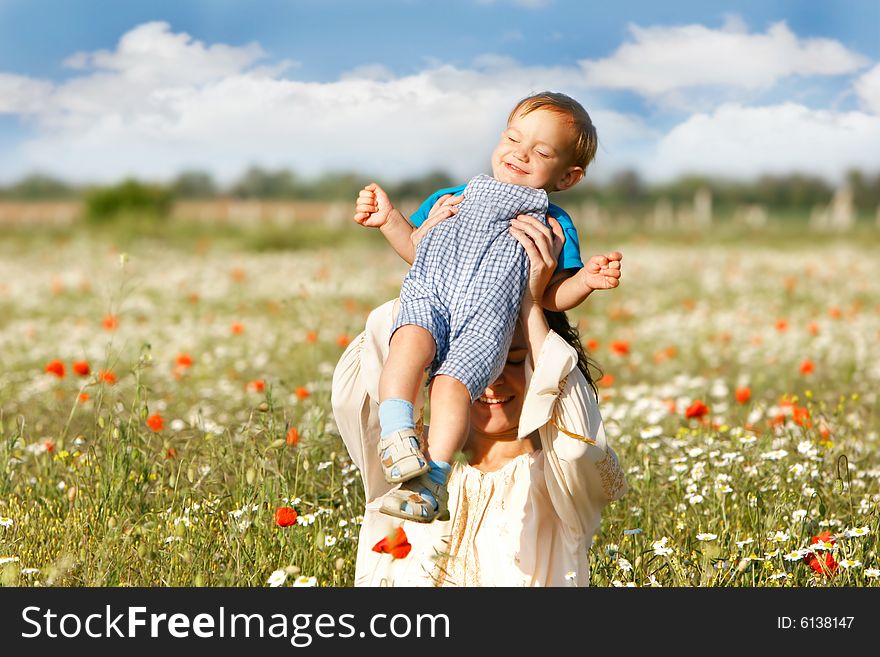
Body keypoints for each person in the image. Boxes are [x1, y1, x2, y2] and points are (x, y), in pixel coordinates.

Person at [352, 92, 622, 523]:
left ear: (567, 177)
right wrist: (391, 221)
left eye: (542, 151)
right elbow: (418, 251)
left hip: (486, 319)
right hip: (430, 294)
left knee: (450, 386)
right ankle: (398, 433)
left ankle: (431, 479)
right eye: (514, 138)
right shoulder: (451, 198)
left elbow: (548, 295)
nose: (521, 153)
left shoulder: (554, 224)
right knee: (407, 346)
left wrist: (585, 281)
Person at [331, 209, 626, 585]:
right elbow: (365, 376)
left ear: (542, 364)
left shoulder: (562, 478)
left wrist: (533, 305)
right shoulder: (402, 462)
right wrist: (429, 267)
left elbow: (579, 438)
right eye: (467, 360)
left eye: (515, 359)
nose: (490, 379)